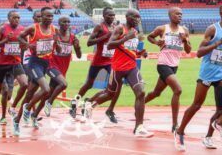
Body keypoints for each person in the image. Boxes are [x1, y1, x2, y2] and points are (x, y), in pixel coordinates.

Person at [174, 5, 222, 151]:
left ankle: (209, 136)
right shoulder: (213, 29)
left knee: (220, 110)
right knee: (196, 105)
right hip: (207, 73)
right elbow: (199, 52)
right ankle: (180, 131)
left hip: (221, 74)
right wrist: (217, 44)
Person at [102, 9, 153, 137]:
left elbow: (130, 50)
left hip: (131, 67)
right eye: (135, 17)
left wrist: (141, 53)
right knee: (109, 94)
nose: (137, 19)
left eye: (138, 17)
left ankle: (139, 127)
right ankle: (90, 104)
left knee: (141, 92)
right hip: (118, 67)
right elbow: (109, 45)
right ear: (127, 17)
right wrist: (125, 38)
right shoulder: (120, 28)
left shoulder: (135, 32)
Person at [14, 7, 60, 135]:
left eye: (51, 16)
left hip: (46, 63)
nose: (49, 18)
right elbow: (19, 37)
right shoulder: (33, 28)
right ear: (42, 16)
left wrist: (57, 43)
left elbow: (59, 50)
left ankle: (17, 120)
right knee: (46, 89)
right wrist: (28, 45)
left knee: (29, 94)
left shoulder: (54, 29)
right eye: (47, 16)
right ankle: (28, 109)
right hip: (34, 63)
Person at [145, 7, 191, 132]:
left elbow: (188, 50)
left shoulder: (184, 30)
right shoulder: (163, 28)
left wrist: (185, 40)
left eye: (181, 14)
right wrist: (157, 42)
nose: (180, 16)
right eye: (177, 14)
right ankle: (175, 124)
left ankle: (139, 104)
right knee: (178, 90)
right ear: (170, 15)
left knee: (156, 93)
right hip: (163, 64)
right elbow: (149, 37)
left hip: (174, 66)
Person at [69, 7, 115, 118]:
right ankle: (74, 102)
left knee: (112, 88)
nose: (112, 17)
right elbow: (89, 43)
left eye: (113, 15)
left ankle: (89, 102)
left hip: (110, 61)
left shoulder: (114, 27)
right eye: (109, 15)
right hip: (98, 62)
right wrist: (105, 36)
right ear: (104, 16)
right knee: (88, 85)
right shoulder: (100, 27)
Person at [0, 10, 28, 128]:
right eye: (14, 17)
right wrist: (5, 41)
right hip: (2, 64)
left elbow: (25, 46)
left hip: (16, 63)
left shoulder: (22, 30)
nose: (17, 20)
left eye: (18, 18)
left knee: (24, 84)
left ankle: (12, 107)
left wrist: (23, 46)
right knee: (0, 91)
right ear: (9, 19)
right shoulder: (3, 29)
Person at [44, 16, 81, 117]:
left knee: (48, 92)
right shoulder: (54, 35)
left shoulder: (73, 37)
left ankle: (32, 108)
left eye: (68, 22)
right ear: (59, 23)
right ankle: (49, 103)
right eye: (64, 22)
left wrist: (78, 48)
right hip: (51, 65)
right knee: (63, 84)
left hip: (63, 68)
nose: (67, 24)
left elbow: (79, 56)